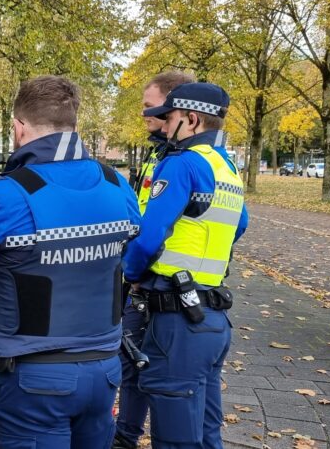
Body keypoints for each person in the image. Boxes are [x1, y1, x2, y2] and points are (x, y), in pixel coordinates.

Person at [0, 75, 141, 448]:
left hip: (35, 377)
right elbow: (132, 250)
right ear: (73, 124)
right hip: (104, 370)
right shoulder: (116, 185)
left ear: (19, 127)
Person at [125, 82, 249, 449]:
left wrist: (130, 274)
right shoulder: (226, 166)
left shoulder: (181, 164)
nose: (165, 127)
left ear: (191, 119)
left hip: (177, 318)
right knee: (208, 430)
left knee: (176, 436)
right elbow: (239, 224)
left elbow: (148, 238)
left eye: (172, 119)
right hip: (213, 318)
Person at [113, 70, 194, 449]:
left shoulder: (182, 160)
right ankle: (124, 435)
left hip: (161, 282)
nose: (144, 114)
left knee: (157, 375)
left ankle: (129, 436)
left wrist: (131, 268)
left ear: (173, 106)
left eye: (150, 106)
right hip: (143, 279)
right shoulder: (159, 152)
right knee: (129, 360)